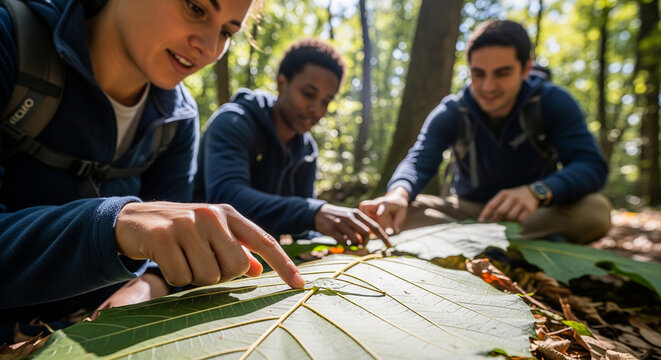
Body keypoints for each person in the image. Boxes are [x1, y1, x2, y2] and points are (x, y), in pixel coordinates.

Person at [0, 0, 304, 344]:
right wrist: (114, 225)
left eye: (226, 31)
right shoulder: (11, 37)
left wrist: (149, 283)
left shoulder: (178, 119)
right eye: (196, 7)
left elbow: (163, 257)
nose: (208, 47)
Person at [360, 19, 611, 244]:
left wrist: (538, 191)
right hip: (468, 212)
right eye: (478, 74)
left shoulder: (552, 101)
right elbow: (420, 159)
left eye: (502, 73)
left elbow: (591, 165)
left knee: (594, 212)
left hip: (534, 212)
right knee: (395, 213)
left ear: (526, 69)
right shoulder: (452, 110)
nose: (488, 87)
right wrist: (398, 193)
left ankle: (474, 244)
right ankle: (523, 246)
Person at [195, 39, 390, 246]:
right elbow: (228, 198)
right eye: (308, 94)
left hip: (265, 259)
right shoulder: (233, 122)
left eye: (326, 101)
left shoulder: (306, 150)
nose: (317, 109)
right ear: (281, 83)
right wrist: (313, 212)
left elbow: (303, 230)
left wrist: (335, 239)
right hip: (203, 254)